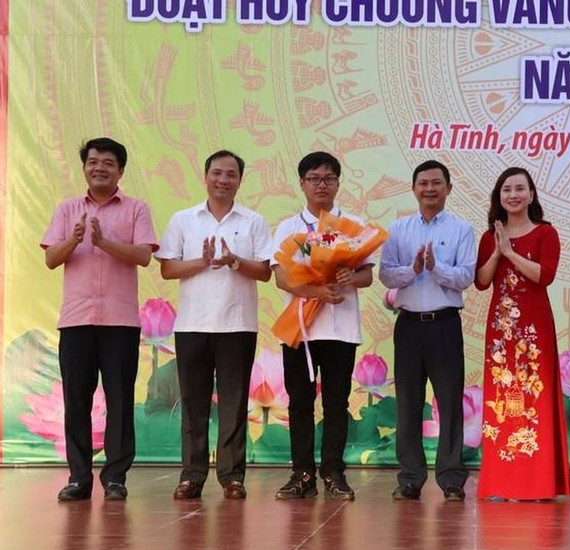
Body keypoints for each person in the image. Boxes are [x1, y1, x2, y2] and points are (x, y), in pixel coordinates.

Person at [42, 137, 158, 501]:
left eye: (108, 163)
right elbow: (51, 259)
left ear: (120, 170)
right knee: (77, 398)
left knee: (120, 399)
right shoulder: (67, 209)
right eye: (93, 162)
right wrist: (74, 240)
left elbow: (143, 256)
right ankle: (78, 477)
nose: (100, 168)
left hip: (120, 322)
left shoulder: (136, 209)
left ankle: (115, 478)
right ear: (84, 168)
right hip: (76, 320)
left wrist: (105, 242)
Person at [156, 149, 272, 500]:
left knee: (234, 404)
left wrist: (236, 261)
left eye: (231, 174)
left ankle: (232, 477)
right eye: (217, 173)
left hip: (237, 325)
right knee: (193, 403)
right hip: (192, 324)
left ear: (240, 180)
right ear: (205, 176)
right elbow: (167, 269)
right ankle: (191, 475)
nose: (223, 180)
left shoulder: (253, 221)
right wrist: (201, 262)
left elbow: (265, 272)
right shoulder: (183, 220)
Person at [272, 151, 374, 501]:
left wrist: (350, 274)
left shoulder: (355, 226)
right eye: (314, 178)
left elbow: (367, 276)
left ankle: (333, 473)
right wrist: (315, 289)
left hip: (340, 328)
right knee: (299, 401)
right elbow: (281, 278)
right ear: (301, 183)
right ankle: (301, 473)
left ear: (338, 184)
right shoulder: (289, 227)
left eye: (328, 179)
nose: (321, 185)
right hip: (300, 328)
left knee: (336, 402)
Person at [379, 160, 476, 502]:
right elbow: (387, 275)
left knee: (450, 403)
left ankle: (451, 478)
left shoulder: (462, 230)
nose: (430, 189)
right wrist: (413, 269)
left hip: (445, 324)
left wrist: (436, 269)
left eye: (437, 183)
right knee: (408, 403)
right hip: (408, 326)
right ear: (414, 188)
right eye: (423, 183)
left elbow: (466, 277)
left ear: (449, 188)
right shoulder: (398, 229)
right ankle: (410, 478)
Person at [474, 167, 570, 500]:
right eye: (506, 190)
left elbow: (543, 277)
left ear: (531, 195)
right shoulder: (490, 236)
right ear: (498, 197)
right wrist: (498, 252)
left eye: (519, 189)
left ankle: (538, 482)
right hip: (502, 332)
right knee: (503, 399)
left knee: (536, 397)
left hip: (534, 331)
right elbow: (482, 281)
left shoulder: (546, 233)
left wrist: (512, 253)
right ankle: (503, 481)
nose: (513, 195)